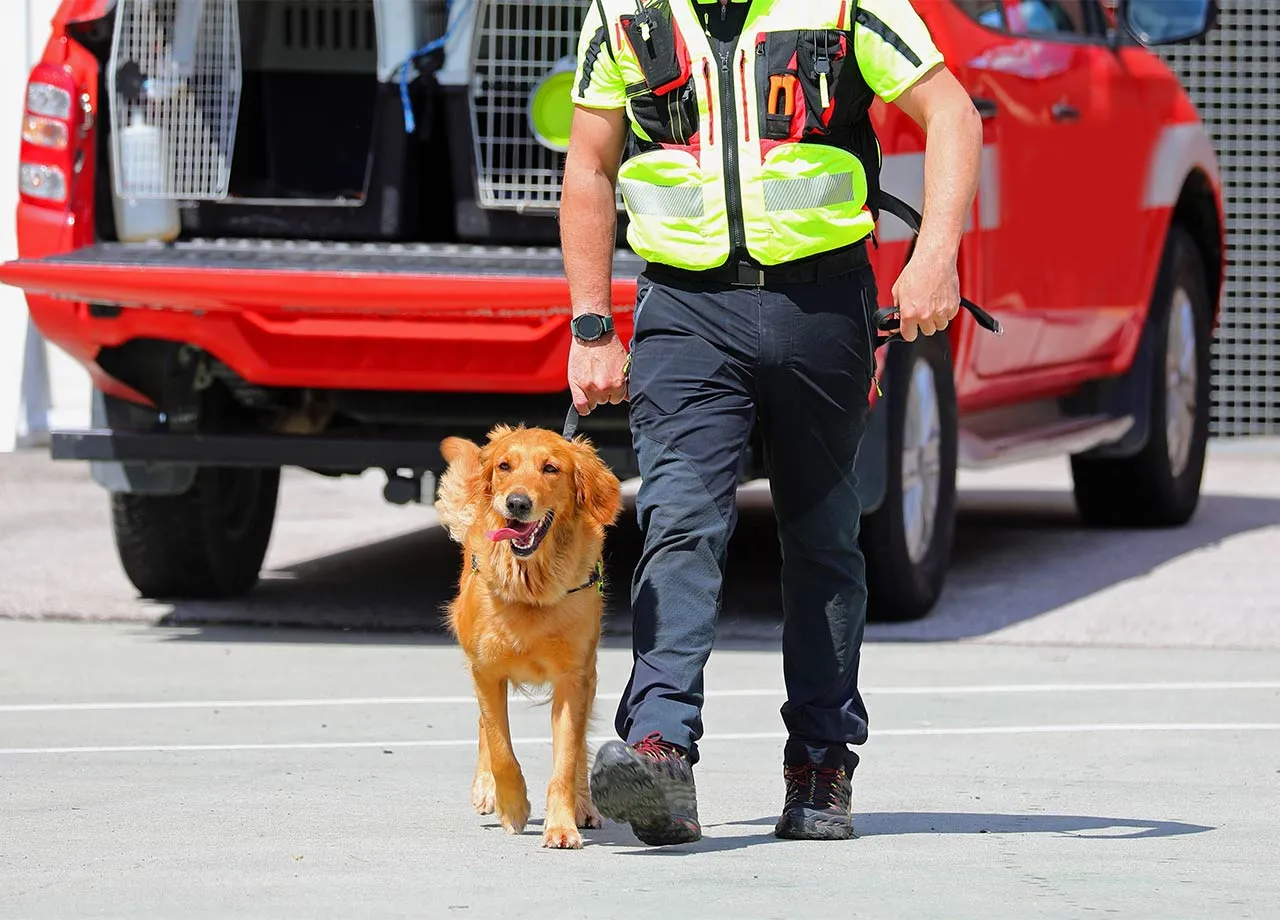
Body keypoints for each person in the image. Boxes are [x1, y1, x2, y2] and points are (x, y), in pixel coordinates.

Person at [558, 0, 982, 845]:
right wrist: (593, 324)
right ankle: (660, 755)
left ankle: (822, 767)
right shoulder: (622, 12)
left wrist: (933, 257)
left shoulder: (848, 5)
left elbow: (953, 114)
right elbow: (591, 164)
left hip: (820, 304)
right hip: (683, 309)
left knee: (824, 537)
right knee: (680, 522)